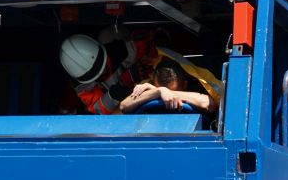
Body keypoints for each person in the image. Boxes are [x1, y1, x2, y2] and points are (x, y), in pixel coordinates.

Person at [60, 29, 221, 116]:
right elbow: (110, 108)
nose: (102, 75)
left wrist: (167, 93)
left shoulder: (123, 50)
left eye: (103, 68)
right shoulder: (82, 87)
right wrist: (124, 85)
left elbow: (210, 103)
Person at [118, 60, 215, 114]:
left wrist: (166, 92)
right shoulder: (149, 89)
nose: (166, 97)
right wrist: (159, 91)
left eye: (173, 90)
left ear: (184, 85)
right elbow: (123, 106)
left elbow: (209, 104)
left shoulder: (193, 92)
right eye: (158, 88)